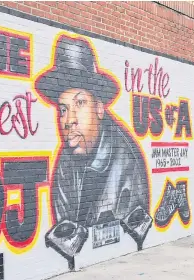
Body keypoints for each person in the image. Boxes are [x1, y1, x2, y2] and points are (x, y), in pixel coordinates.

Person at [34, 35, 150, 236]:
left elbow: (126, 237)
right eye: (63, 109)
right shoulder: (67, 159)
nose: (69, 120)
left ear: (99, 108)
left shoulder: (125, 163)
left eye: (79, 104)